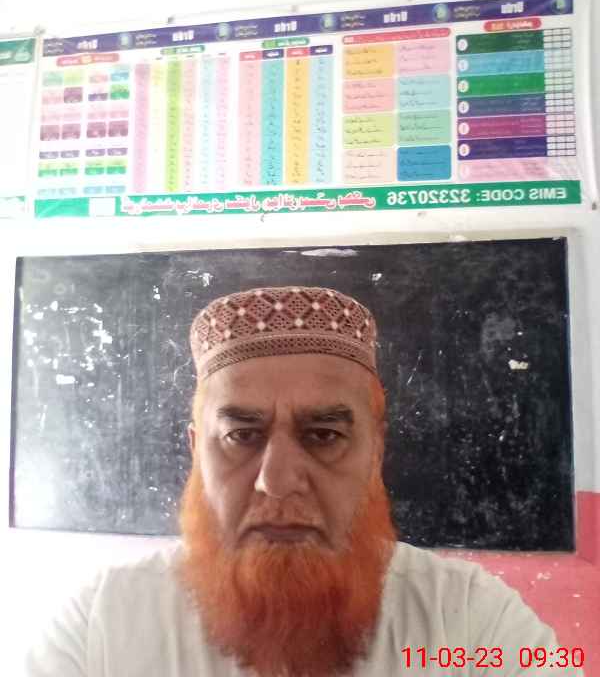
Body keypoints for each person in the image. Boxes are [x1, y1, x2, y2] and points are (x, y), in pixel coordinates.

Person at [25, 286, 583, 677]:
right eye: (241, 436)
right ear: (197, 451)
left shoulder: (470, 619)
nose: (278, 483)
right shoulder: (102, 621)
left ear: (376, 449)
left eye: (324, 435)